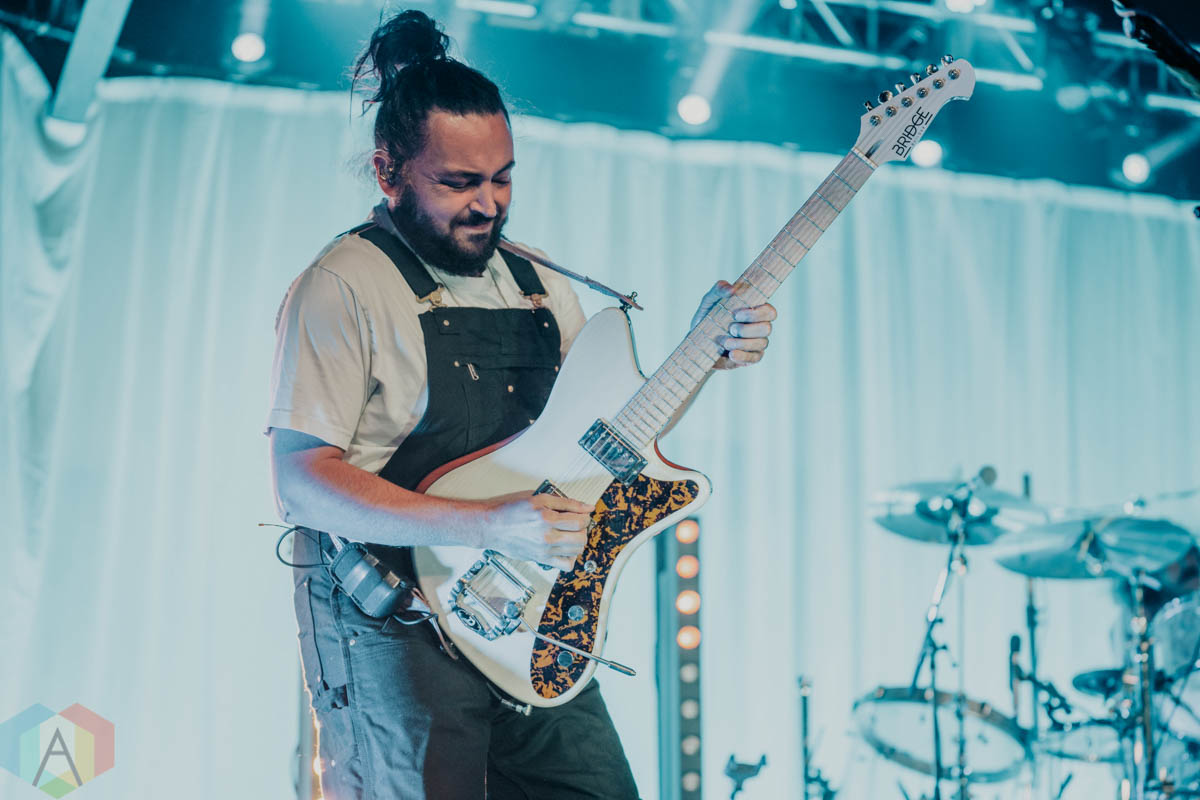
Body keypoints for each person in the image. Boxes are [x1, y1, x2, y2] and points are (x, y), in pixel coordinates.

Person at [266, 10, 777, 799]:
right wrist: (486, 524)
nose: (488, 204)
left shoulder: (538, 283)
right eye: (458, 183)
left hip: (532, 615)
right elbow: (300, 483)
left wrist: (704, 353)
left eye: (502, 177)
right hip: (395, 627)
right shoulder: (342, 285)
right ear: (388, 172)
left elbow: (605, 447)